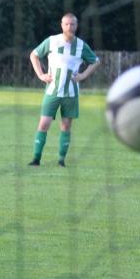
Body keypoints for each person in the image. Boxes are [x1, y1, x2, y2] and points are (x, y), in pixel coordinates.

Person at [27, 12, 100, 167]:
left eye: (72, 24)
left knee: (66, 126)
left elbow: (96, 61)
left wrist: (82, 75)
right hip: (52, 91)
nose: (69, 27)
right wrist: (41, 75)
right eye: (66, 24)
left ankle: (61, 160)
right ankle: (36, 159)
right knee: (43, 124)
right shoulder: (52, 41)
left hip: (71, 93)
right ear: (61, 25)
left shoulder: (81, 45)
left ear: (76, 26)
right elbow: (34, 55)